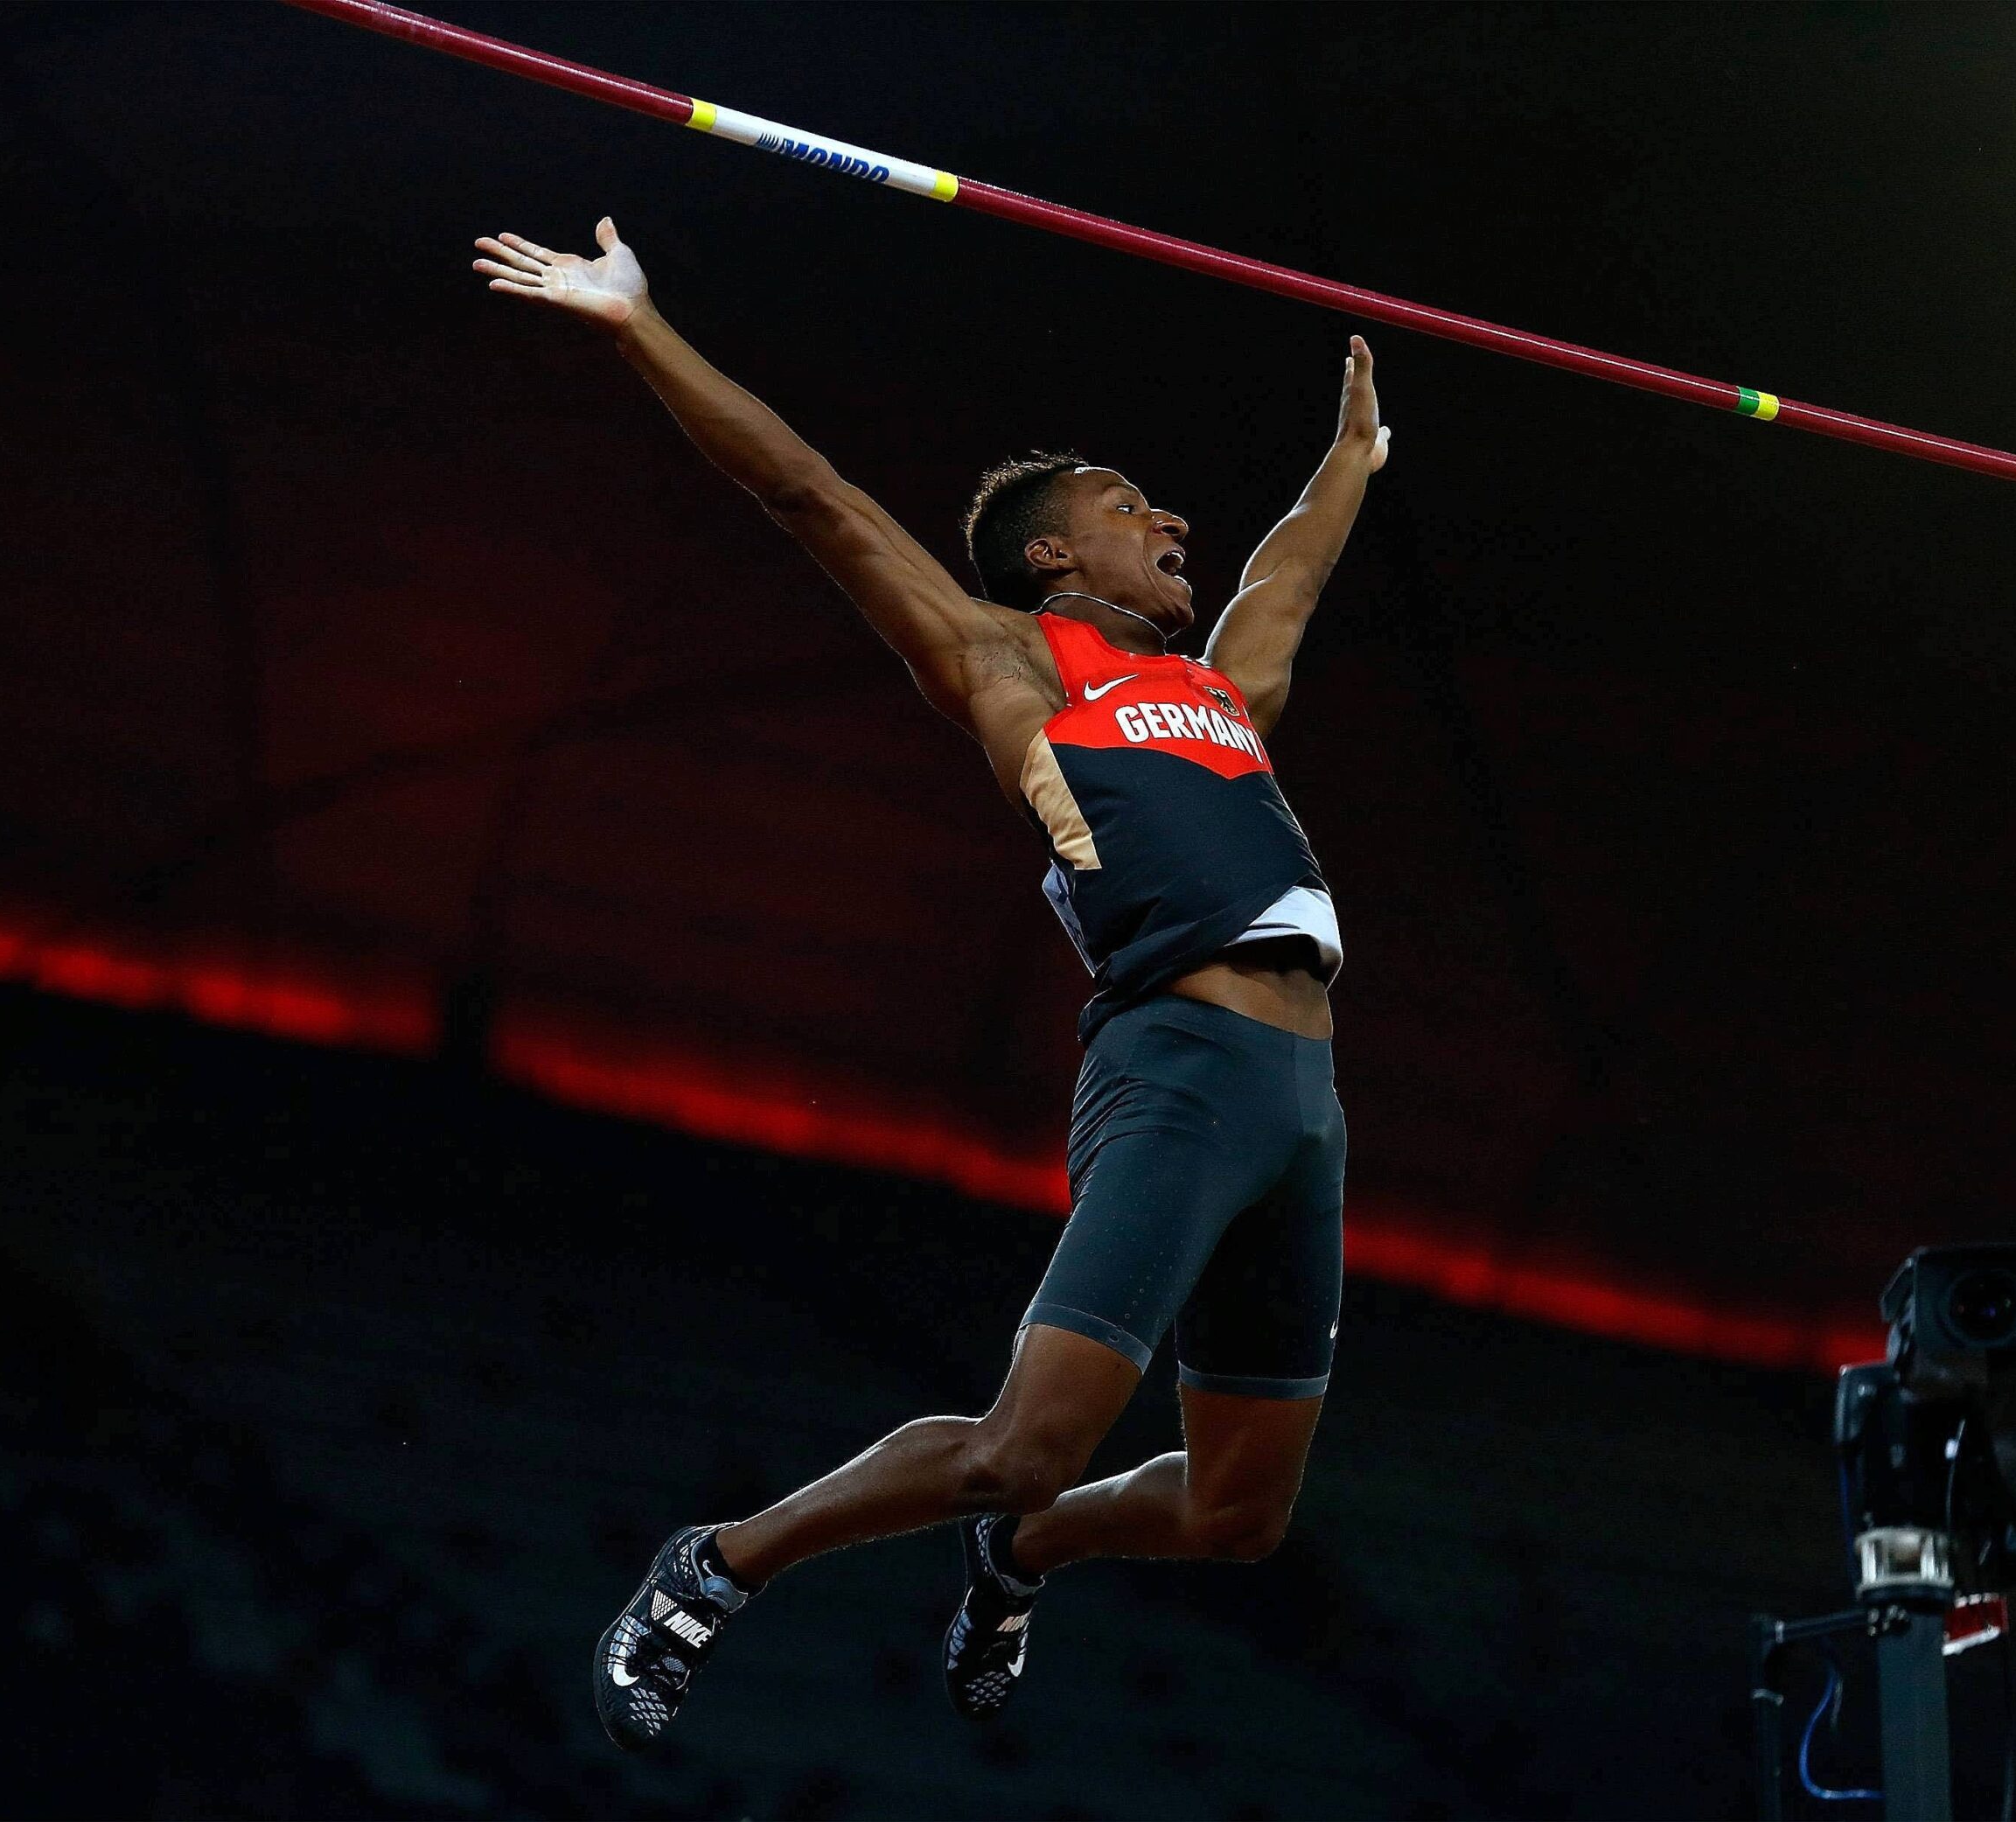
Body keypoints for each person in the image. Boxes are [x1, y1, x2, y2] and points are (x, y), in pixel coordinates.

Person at [470, 217, 1389, 1749]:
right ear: (1049, 557)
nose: (1168, 516)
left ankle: (1023, 1563)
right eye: (1124, 505)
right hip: (1178, 1068)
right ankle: (722, 1564)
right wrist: (640, 325)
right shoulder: (1007, 660)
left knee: (1235, 1516)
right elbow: (810, 498)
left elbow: (1285, 582)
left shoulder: (1221, 692)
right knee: (1015, 1447)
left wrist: (1349, 464)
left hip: (1305, 1101)